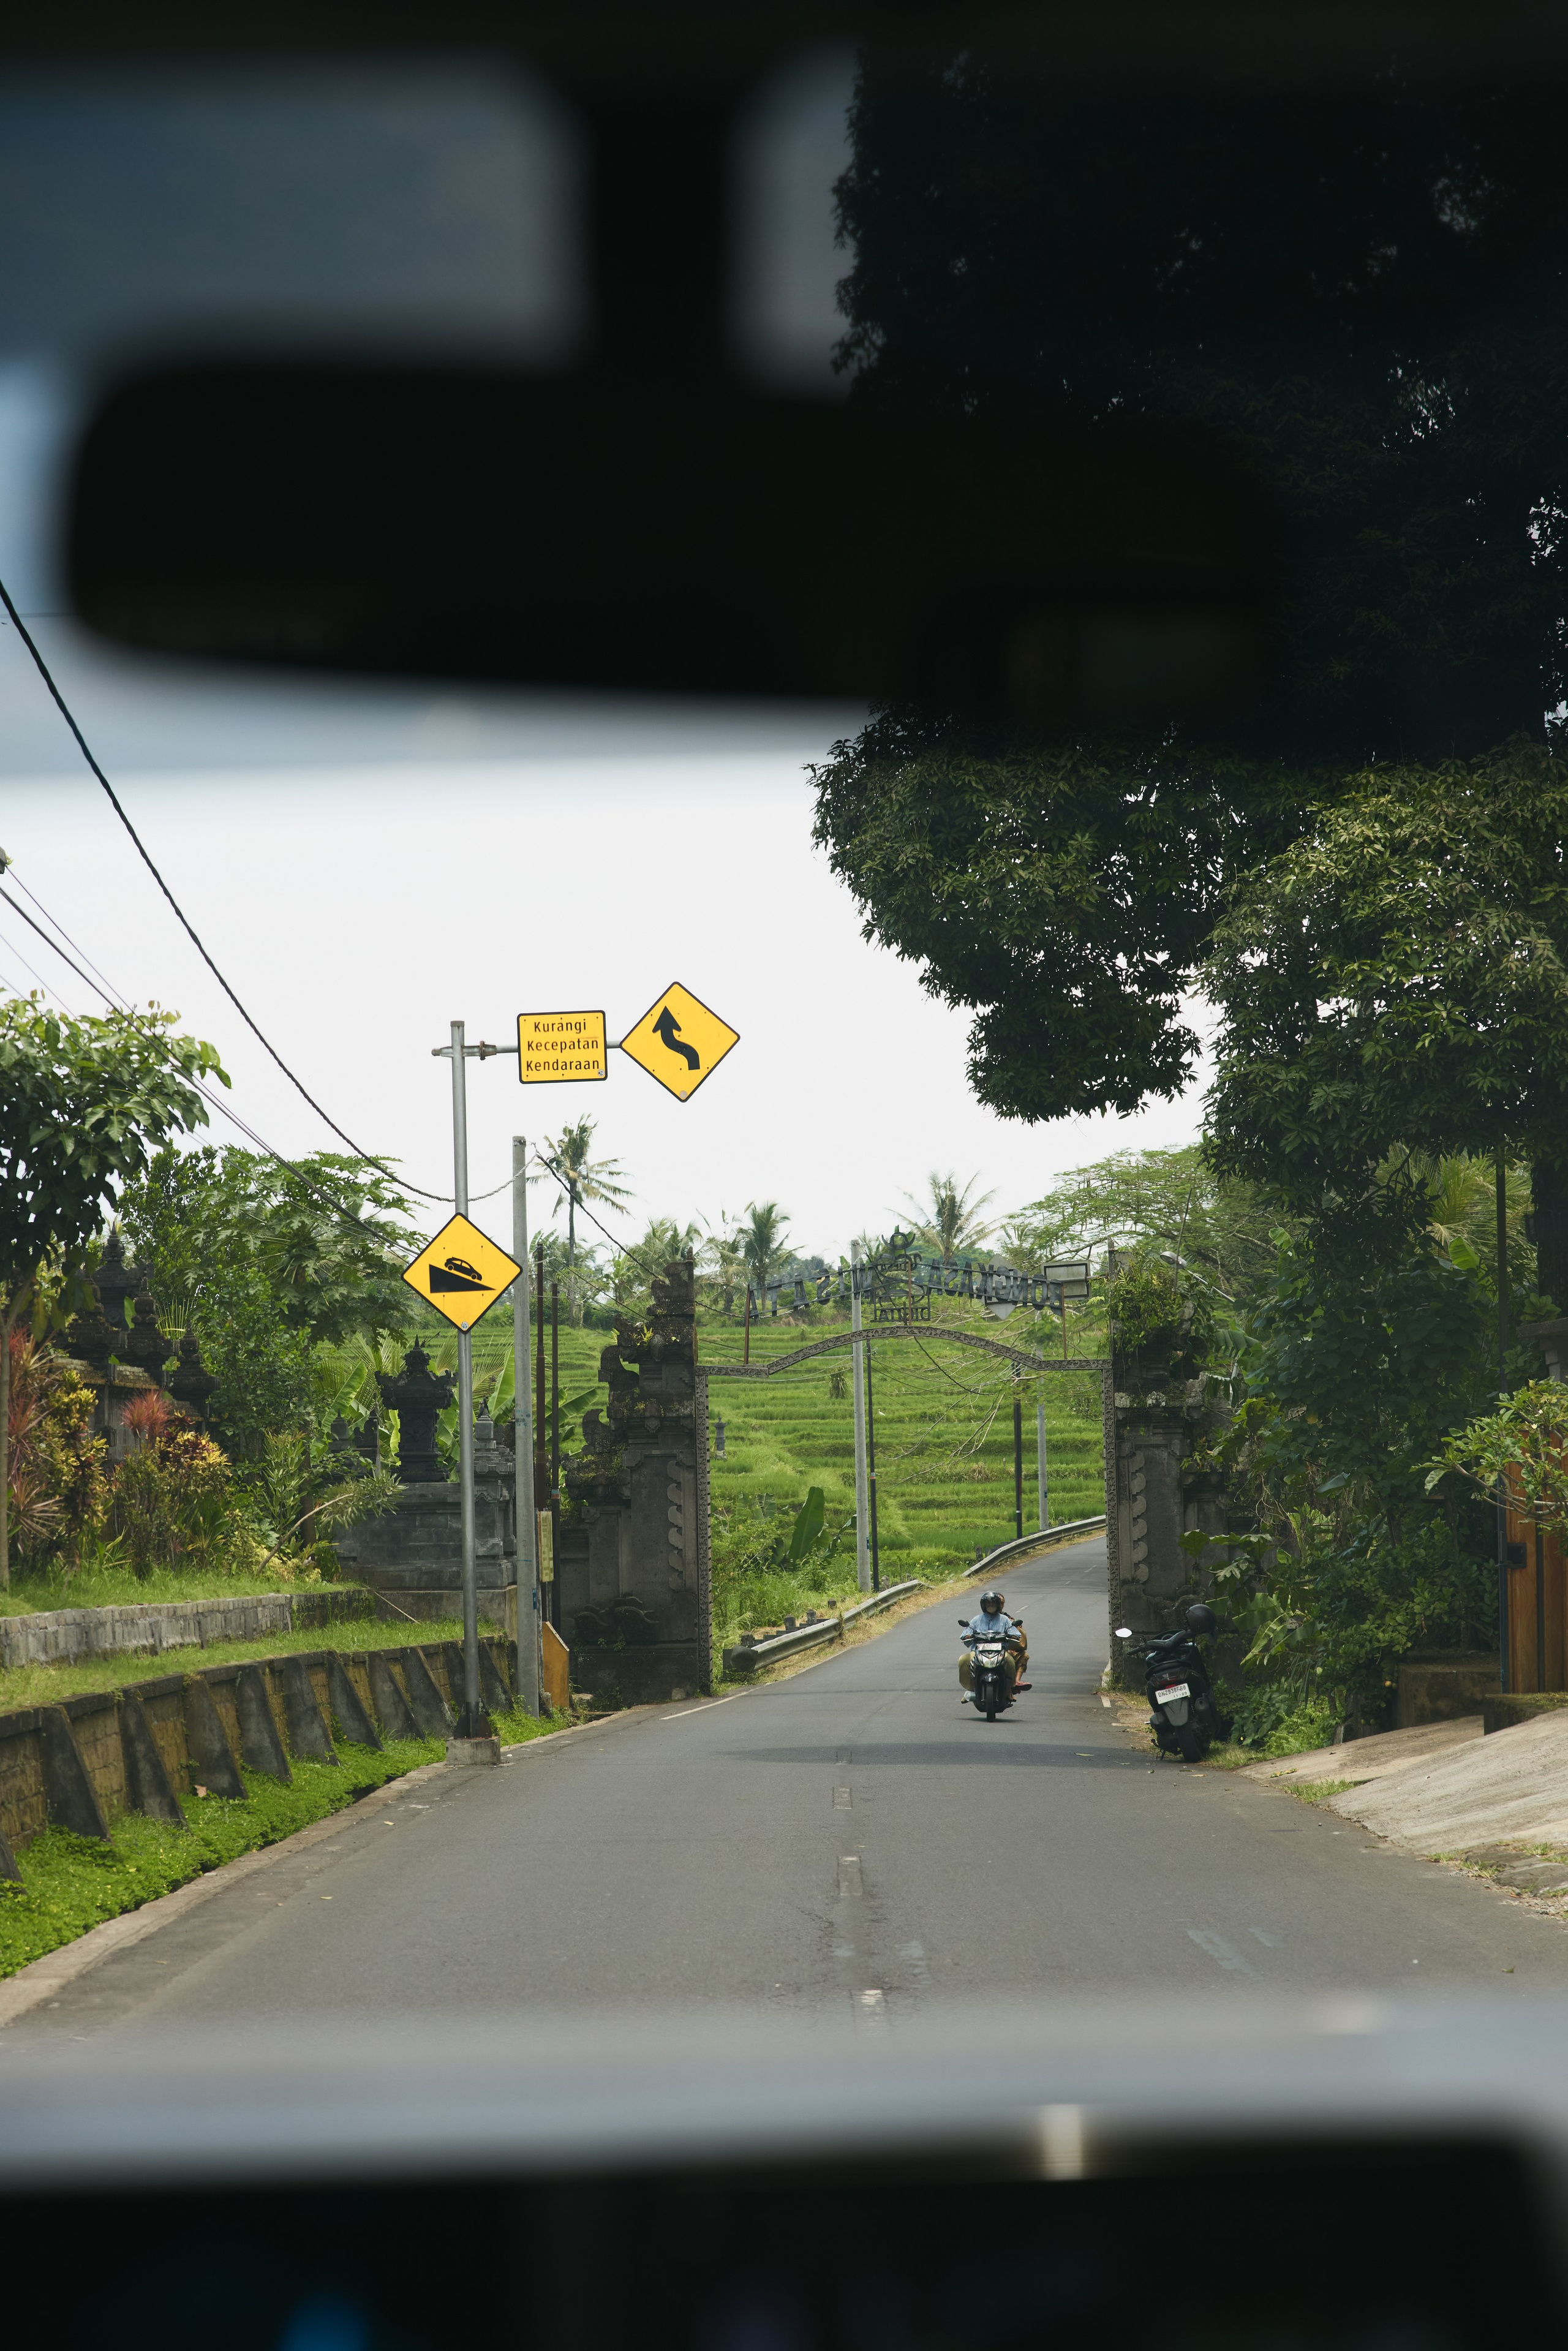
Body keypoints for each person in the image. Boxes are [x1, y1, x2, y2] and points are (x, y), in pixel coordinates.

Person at [959, 1588, 1030, 1700]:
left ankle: (1009, 1689)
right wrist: (967, 1636)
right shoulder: (976, 1620)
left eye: (993, 1603)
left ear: (998, 1605)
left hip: (1001, 1651)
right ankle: (971, 1688)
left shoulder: (1006, 1620)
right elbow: (966, 1634)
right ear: (983, 1605)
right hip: (978, 1652)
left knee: (1010, 1661)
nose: (991, 1606)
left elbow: (1016, 1635)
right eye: (988, 1603)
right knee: (963, 1660)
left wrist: (1013, 1636)